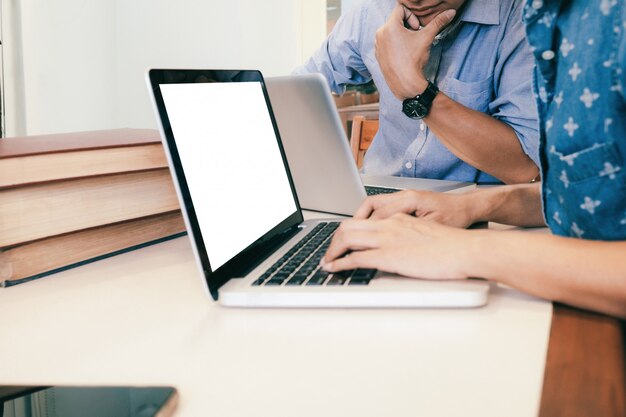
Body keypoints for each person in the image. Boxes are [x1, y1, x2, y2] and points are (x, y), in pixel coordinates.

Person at [321, 0, 626, 319]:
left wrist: (458, 248)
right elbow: (572, 194)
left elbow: (530, 169)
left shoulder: (534, 17)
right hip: (561, 286)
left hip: (582, 310)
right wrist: (474, 205)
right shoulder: (554, 14)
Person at [296, 0, 540, 184]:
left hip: (478, 214)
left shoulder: (523, 16)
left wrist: (415, 90)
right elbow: (297, 92)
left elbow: (525, 167)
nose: (415, 0)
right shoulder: (372, 10)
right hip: (377, 198)